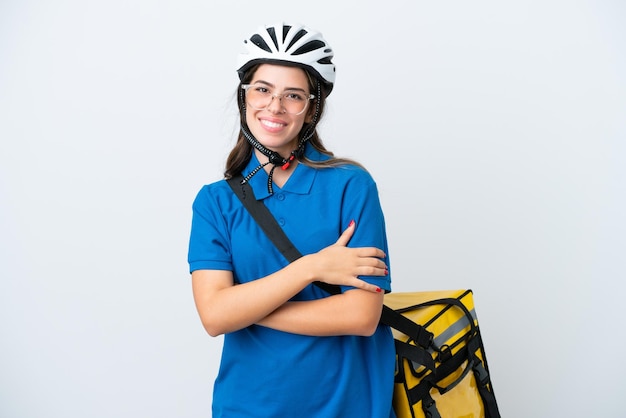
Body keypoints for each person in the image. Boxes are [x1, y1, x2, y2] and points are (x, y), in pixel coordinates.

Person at [188, 22, 396, 417]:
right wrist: (312, 267)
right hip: (248, 406)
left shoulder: (350, 185)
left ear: (311, 108)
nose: (275, 106)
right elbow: (215, 317)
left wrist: (245, 309)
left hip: (348, 407)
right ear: (244, 96)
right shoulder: (215, 202)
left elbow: (361, 316)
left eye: (293, 96)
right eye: (263, 89)